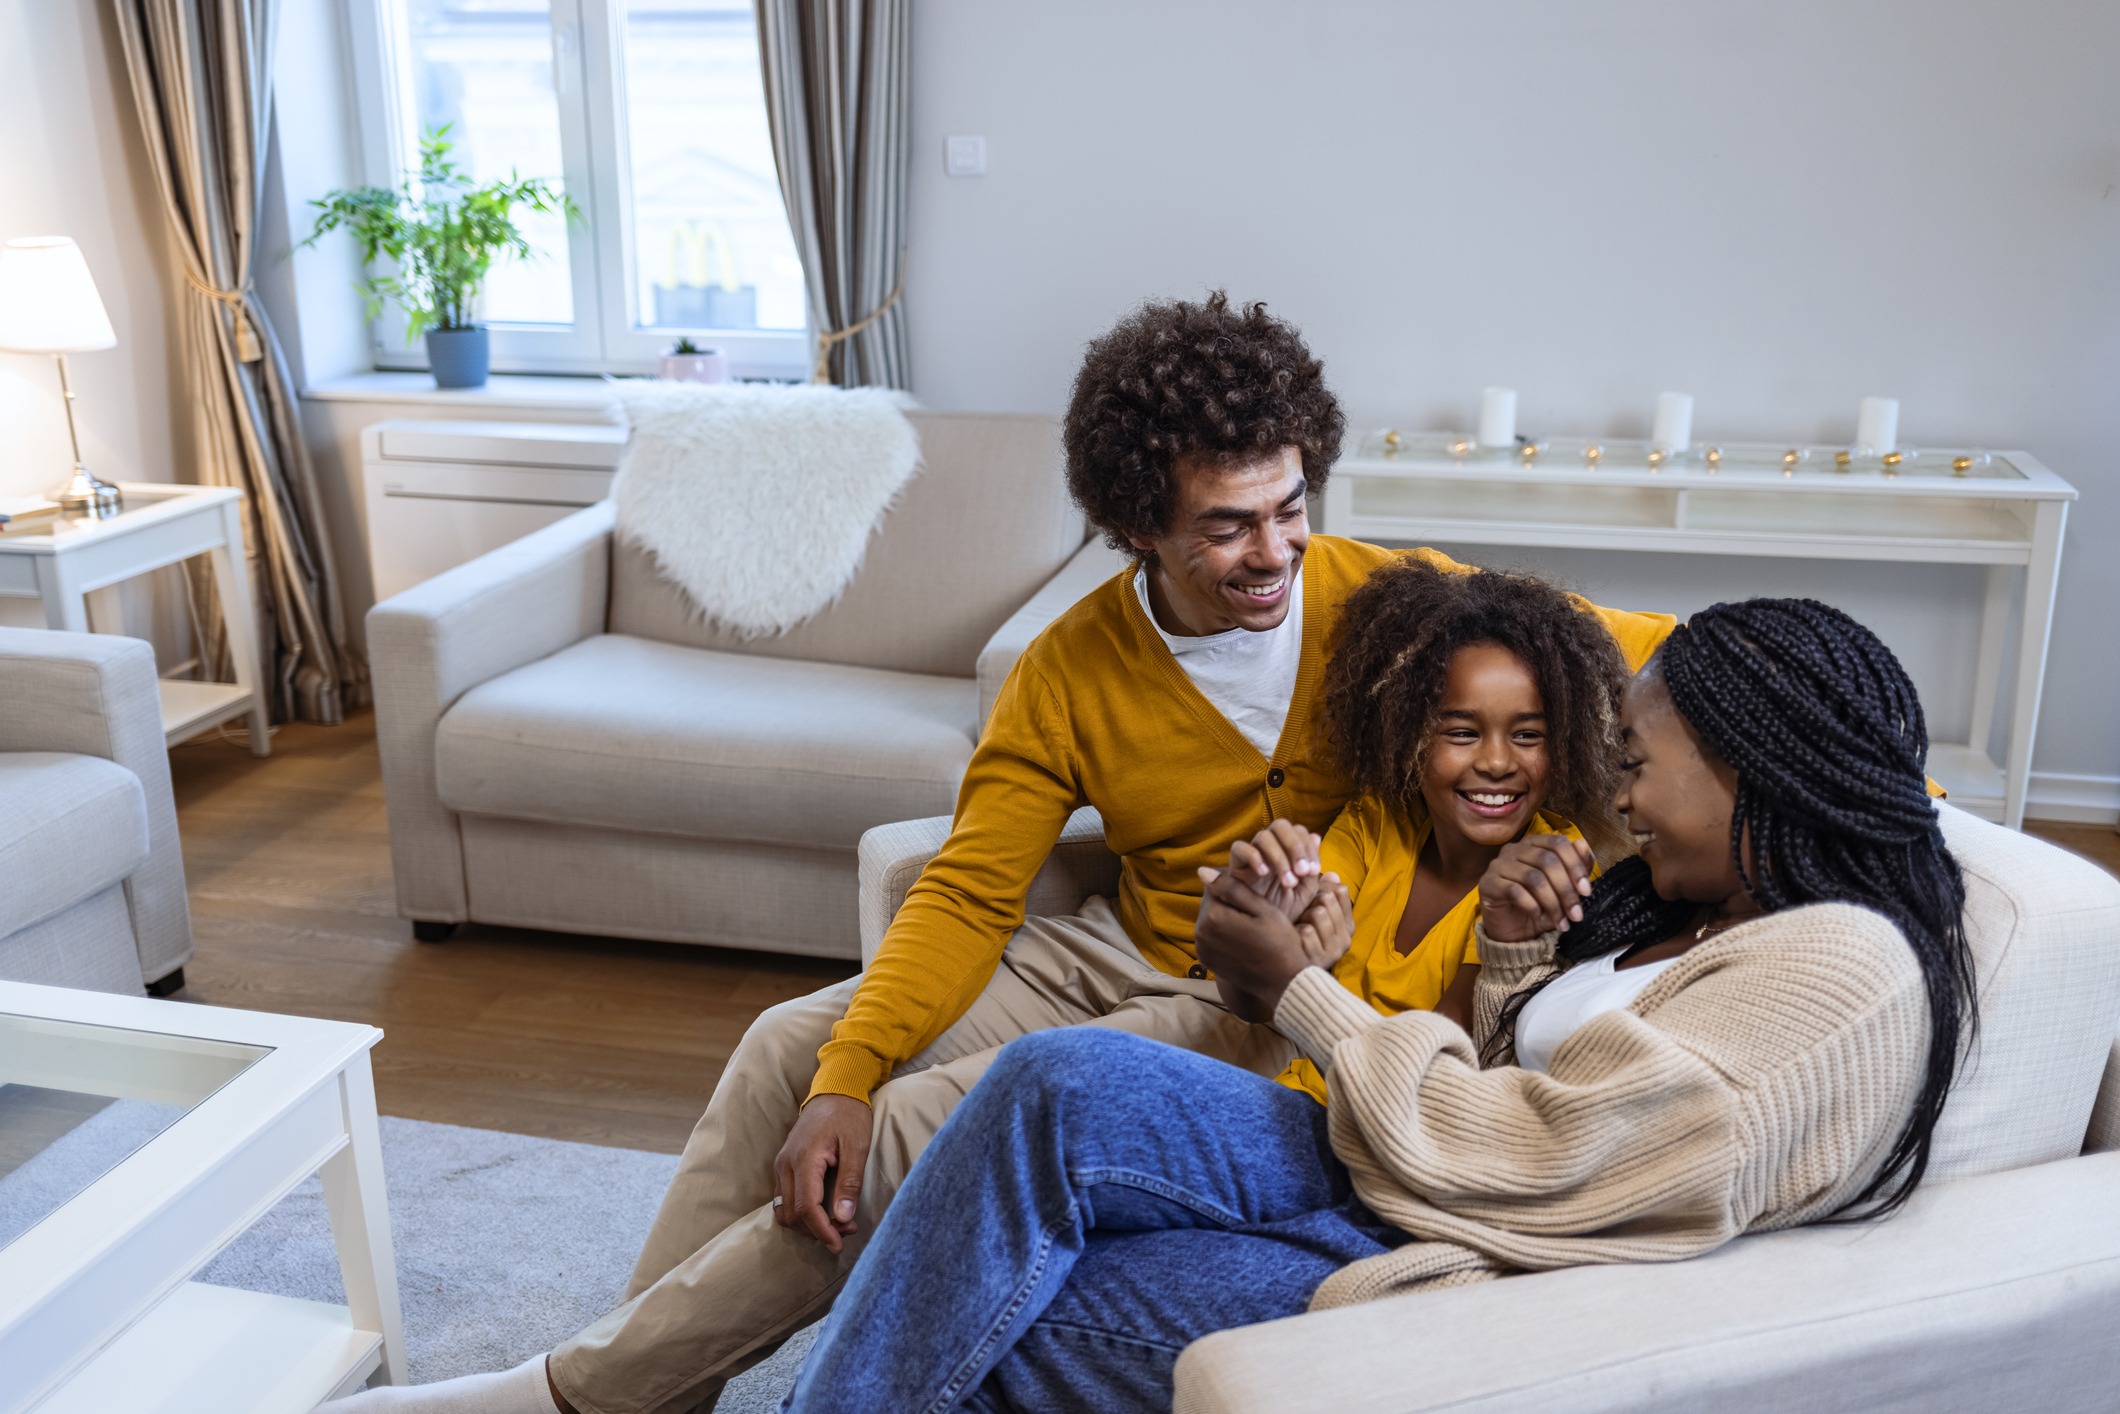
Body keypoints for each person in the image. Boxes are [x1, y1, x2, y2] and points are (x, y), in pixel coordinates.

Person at [331, 295, 1669, 1414]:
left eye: (1287, 506)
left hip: (1268, 989)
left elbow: (1635, 648)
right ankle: (649, 1389)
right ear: (1137, 520)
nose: (1272, 550)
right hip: (1117, 948)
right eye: (1226, 524)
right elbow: (972, 883)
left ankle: (564, 1392)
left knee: (910, 1134)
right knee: (787, 1058)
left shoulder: (1385, 598)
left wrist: (1825, 740)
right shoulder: (1072, 665)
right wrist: (848, 1067)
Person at [781, 597, 1977, 1414]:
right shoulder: (1720, 902)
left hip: (1477, 1258)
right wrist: (1513, 955)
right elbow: (1560, 1092)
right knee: (1050, 1083)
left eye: (1638, 764)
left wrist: (1298, 993)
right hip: (1417, 1170)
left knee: (1003, 1302)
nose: (1619, 794)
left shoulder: (1841, 972)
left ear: (1747, 769)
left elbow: (1547, 1157)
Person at [1224, 557, 1634, 1104]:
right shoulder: (1375, 826)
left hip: (1385, 1130)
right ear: (1409, 734)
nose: (1496, 762)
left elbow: (1441, 1063)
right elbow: (1259, 997)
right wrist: (1252, 924)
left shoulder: (1550, 871)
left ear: (1564, 748)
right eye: (1462, 733)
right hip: (1290, 1096)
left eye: (1529, 736)